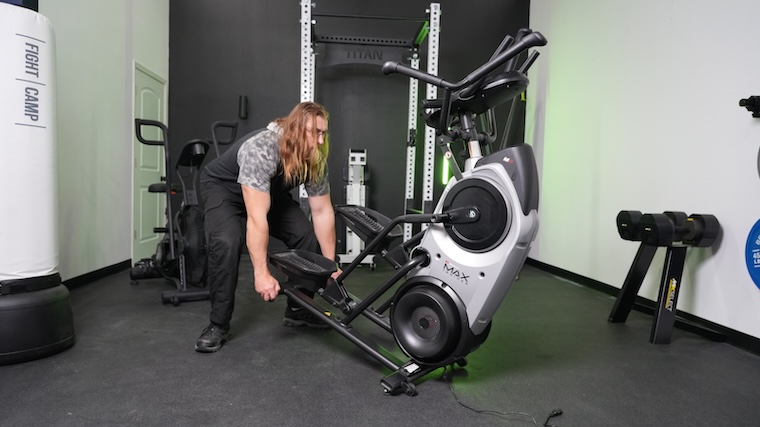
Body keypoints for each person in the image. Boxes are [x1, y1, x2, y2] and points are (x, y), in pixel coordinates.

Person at [195, 101, 338, 353]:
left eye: (323, 133)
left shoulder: (314, 158)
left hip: (268, 192)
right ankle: (218, 324)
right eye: (314, 132)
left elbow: (322, 211)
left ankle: (299, 311)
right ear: (295, 129)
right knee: (227, 241)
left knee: (305, 236)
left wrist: (329, 266)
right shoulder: (262, 149)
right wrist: (261, 273)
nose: (319, 140)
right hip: (224, 190)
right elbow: (257, 217)